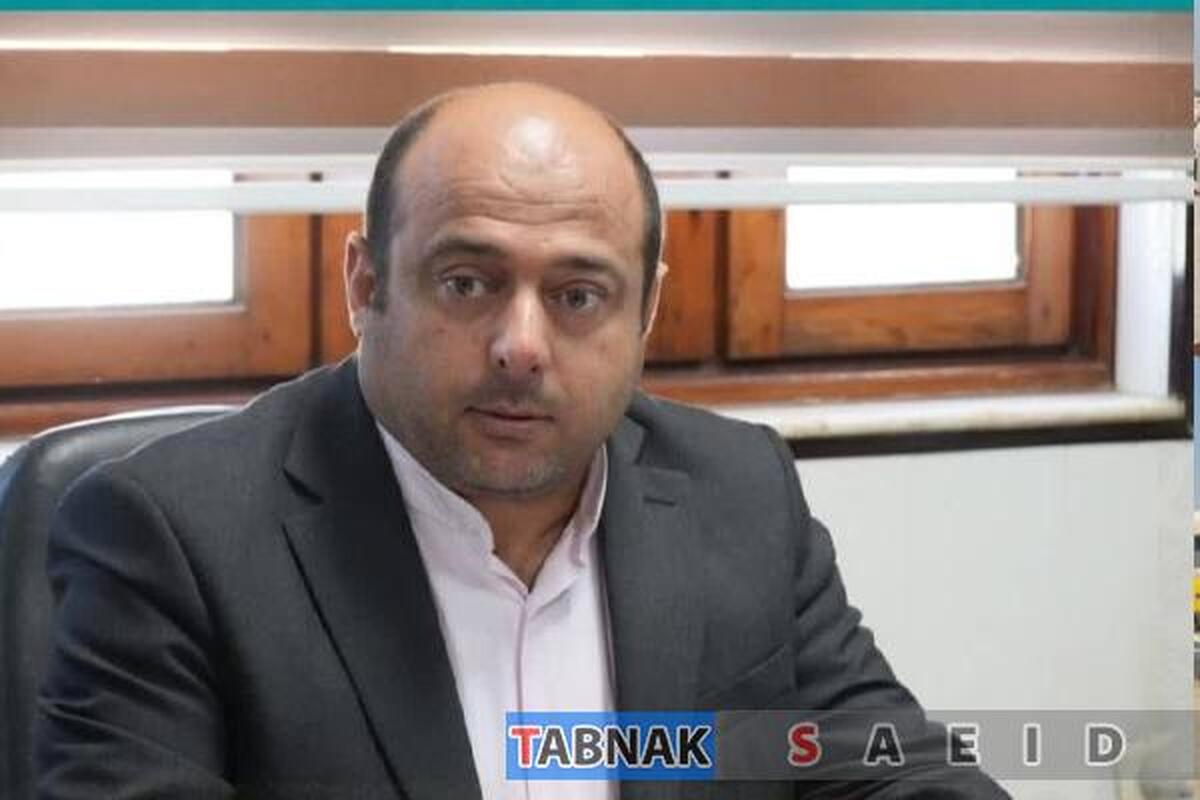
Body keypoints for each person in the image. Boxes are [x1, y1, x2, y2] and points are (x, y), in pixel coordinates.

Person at [35, 83, 1007, 799]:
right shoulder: (170, 538)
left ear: (646, 311)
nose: (521, 346)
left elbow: (889, 766)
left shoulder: (739, 491)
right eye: (468, 282)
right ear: (366, 285)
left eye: (579, 296)